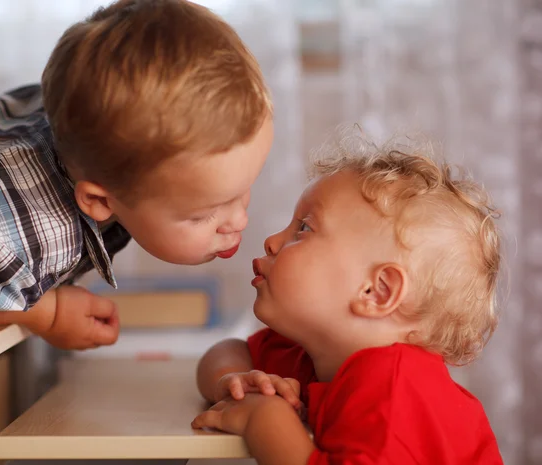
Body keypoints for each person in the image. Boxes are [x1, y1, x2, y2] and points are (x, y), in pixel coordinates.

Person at [0, 0, 273, 350]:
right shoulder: (11, 238)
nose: (238, 220)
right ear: (99, 200)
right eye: (204, 213)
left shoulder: (94, 125)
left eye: (243, 190)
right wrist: (46, 314)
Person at [194, 134, 504, 464]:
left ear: (376, 292)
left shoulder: (395, 391)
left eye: (304, 229)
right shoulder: (320, 356)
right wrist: (234, 381)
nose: (271, 241)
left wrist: (264, 419)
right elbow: (227, 351)